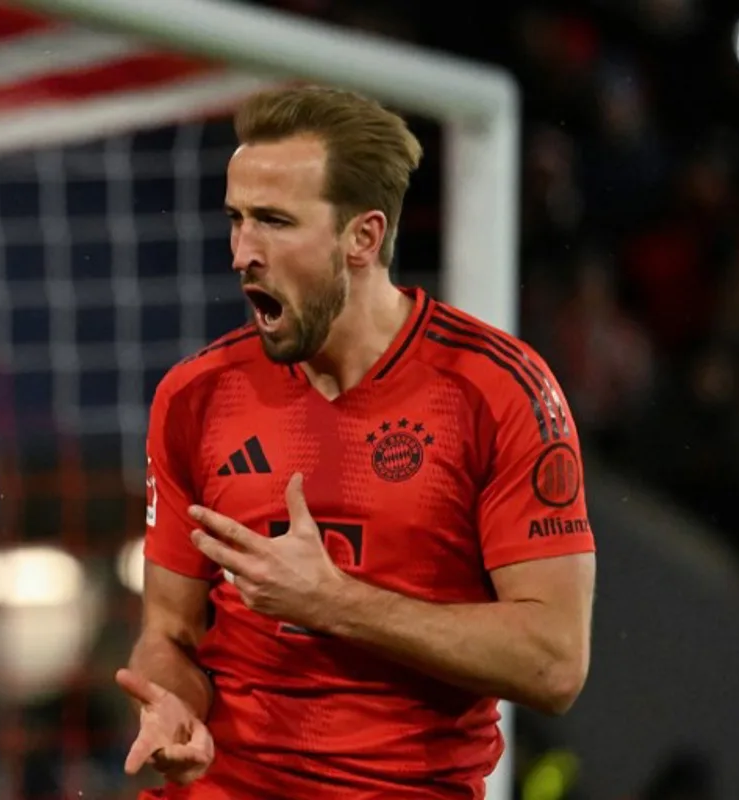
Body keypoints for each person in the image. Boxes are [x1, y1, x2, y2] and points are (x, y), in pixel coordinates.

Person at [117, 85, 596, 799]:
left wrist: (334, 601)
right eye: (237, 219)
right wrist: (173, 702)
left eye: (275, 222)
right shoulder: (195, 396)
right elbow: (170, 633)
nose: (242, 253)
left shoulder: (497, 392)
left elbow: (554, 665)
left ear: (363, 238)